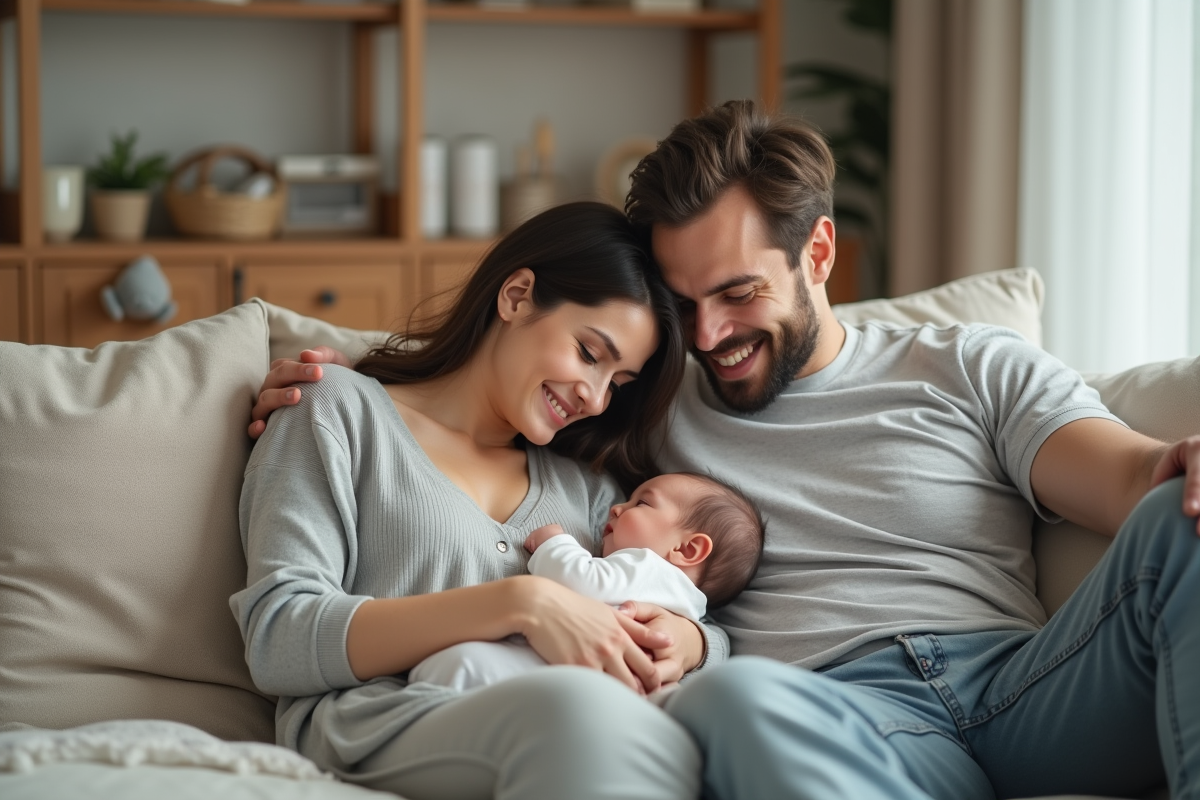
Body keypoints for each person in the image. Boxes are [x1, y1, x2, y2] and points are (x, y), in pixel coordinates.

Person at [251, 101, 1200, 800]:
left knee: (1185, 519)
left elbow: (1125, 475)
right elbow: (484, 395)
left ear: (817, 255)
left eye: (739, 294)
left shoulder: (970, 365)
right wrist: (322, 381)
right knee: (736, 700)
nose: (707, 335)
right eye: (684, 301)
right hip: (839, 719)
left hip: (1026, 683)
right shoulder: (643, 407)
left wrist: (1182, 462)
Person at [232, 201, 725, 800]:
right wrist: (521, 601)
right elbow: (278, 638)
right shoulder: (334, 408)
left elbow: (703, 626)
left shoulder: (593, 494)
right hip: (382, 726)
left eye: (617, 384)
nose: (595, 398)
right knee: (580, 720)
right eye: (589, 354)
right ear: (517, 296)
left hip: (566, 729)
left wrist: (690, 641)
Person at [409, 471, 765, 692]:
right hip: (608, 684)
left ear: (687, 549)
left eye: (641, 502)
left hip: (566, 670)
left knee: (458, 665)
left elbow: (584, 582)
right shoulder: (685, 607)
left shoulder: (649, 568)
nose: (617, 508)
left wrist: (553, 543)